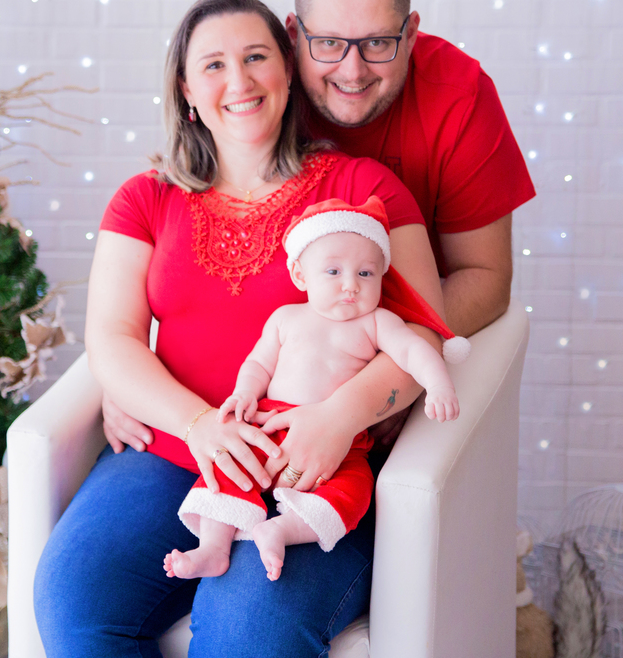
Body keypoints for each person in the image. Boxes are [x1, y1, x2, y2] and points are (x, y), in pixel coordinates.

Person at [34, 0, 447, 657]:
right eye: (214, 65)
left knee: (246, 635)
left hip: (311, 466)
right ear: (186, 90)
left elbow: (423, 337)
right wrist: (196, 425)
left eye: (257, 57)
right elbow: (111, 338)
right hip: (176, 452)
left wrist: (340, 417)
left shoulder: (362, 188)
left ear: (287, 72)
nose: (240, 80)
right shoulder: (145, 198)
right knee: (76, 602)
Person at [103, 0, 536, 458]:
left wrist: (373, 378)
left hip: (340, 409)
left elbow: (482, 281)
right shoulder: (237, 118)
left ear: (411, 33)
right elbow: (120, 332)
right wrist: (137, 390)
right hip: (194, 439)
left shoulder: (453, 102)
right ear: (295, 41)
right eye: (329, 43)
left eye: (378, 43)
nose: (352, 72)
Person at [166, 197, 468, 584]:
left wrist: (439, 383)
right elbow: (258, 364)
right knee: (228, 470)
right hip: (269, 424)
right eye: (333, 271)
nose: (350, 286)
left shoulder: (378, 322)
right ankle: (213, 547)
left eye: (365, 274)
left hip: (342, 442)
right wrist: (244, 392)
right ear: (300, 276)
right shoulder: (285, 319)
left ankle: (284, 530)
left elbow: (414, 351)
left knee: (355, 491)